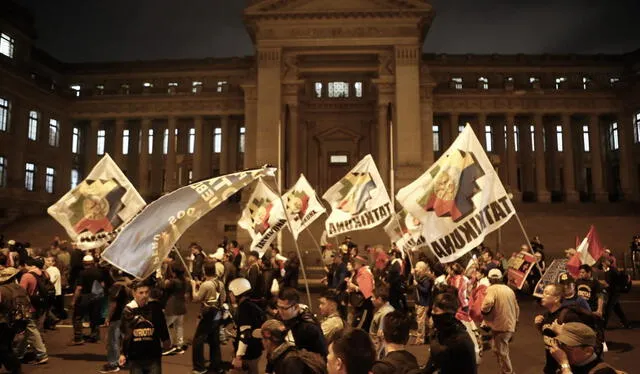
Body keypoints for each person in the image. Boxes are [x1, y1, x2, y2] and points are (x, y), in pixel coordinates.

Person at [119, 280, 171, 374]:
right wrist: (122, 353)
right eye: (141, 293)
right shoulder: (128, 310)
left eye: (146, 292)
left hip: (153, 354)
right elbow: (124, 333)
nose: (144, 295)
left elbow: (162, 325)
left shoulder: (155, 307)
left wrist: (165, 338)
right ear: (134, 293)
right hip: (136, 355)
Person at [423, 292, 477, 374]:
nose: (433, 314)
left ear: (448, 313)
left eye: (436, 310)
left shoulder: (461, 340)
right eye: (432, 310)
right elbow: (433, 362)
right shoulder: (438, 332)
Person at [481, 269, 519, 374]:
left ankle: (508, 372)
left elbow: (487, 303)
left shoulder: (491, 289)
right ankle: (504, 370)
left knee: (502, 351)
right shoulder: (509, 290)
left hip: (500, 325)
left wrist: (484, 313)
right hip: (508, 324)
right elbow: (516, 308)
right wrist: (516, 321)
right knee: (497, 349)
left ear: (489, 279)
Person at [254, 319, 327, 374]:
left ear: (269, 340)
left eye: (263, 339)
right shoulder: (277, 356)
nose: (261, 341)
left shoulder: (291, 361)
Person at [549, 322, 626, 374]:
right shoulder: (575, 364)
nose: (561, 350)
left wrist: (564, 365)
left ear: (588, 351)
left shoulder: (603, 371)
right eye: (561, 344)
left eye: (569, 347)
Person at [190, 261, 226, 374]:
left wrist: (193, 287)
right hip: (218, 313)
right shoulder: (220, 283)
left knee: (198, 340)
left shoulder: (206, 285)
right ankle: (216, 365)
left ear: (204, 271)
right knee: (214, 339)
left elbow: (196, 298)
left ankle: (199, 367)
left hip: (208, 314)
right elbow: (223, 298)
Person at [277, 287, 327, 358]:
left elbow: (321, 355)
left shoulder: (309, 328)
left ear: (296, 307)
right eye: (278, 307)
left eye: (284, 308)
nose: (280, 311)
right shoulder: (280, 317)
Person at [228, 277, 265, 374]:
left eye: (231, 292)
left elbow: (245, 334)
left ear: (237, 293)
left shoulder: (244, 309)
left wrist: (238, 356)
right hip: (256, 349)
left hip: (249, 352)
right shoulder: (251, 305)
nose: (229, 295)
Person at [99, 269, 132, 373]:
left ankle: (113, 363)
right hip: (128, 315)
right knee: (125, 339)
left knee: (113, 340)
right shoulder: (130, 285)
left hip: (117, 316)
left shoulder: (116, 286)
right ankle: (125, 360)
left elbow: (113, 304)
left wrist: (108, 317)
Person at [0, 266, 31, 374]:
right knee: (6, 345)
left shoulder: (2, 289)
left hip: (4, 321)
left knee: (3, 347)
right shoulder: (19, 288)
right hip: (17, 321)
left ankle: (15, 367)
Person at [69, 255, 105, 345]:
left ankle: (78, 338)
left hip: (84, 297)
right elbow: (102, 285)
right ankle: (95, 336)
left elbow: (79, 288)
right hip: (96, 296)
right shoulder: (99, 272)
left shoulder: (82, 273)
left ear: (84, 263)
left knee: (77, 317)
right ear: (93, 263)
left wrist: (73, 301)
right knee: (95, 317)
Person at [346, 255, 375, 331]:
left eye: (356, 262)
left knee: (358, 329)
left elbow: (367, 291)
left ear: (361, 264)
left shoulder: (365, 273)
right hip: (359, 305)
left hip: (364, 306)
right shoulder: (359, 273)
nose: (354, 263)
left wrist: (354, 288)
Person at [369, 286, 395, 357]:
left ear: (379, 299)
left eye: (373, 297)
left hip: (380, 349)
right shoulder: (383, 310)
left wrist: (378, 355)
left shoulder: (385, 312)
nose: (371, 299)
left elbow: (382, 336)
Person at [412, 261, 433, 344]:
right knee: (425, 321)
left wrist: (417, 285)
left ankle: (420, 339)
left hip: (423, 302)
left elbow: (425, 290)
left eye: (417, 268)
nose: (416, 269)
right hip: (419, 302)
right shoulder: (420, 277)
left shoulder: (425, 279)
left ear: (421, 269)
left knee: (420, 321)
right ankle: (429, 334)